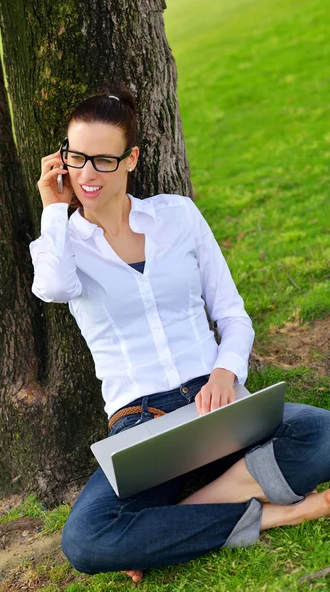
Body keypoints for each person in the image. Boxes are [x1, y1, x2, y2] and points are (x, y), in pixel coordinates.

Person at [29, 88, 330, 583]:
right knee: (85, 539)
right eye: (75, 156)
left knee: (320, 433)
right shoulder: (60, 244)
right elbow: (56, 289)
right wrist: (52, 208)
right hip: (142, 424)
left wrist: (224, 372)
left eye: (103, 161)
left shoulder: (177, 216)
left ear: (132, 159)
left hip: (219, 403)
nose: (86, 175)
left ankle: (189, 511)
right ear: (61, 157)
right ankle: (275, 511)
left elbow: (232, 315)